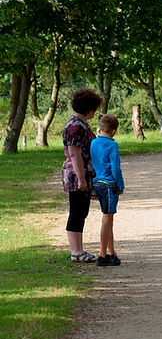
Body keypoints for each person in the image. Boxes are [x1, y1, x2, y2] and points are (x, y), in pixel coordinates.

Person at [62, 88, 103, 263]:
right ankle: (75, 251)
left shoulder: (81, 124)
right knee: (77, 212)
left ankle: (79, 250)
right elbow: (75, 154)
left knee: (81, 212)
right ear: (88, 107)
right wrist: (81, 179)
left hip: (84, 173)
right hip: (76, 174)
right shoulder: (74, 126)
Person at [90, 114, 125, 267]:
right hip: (110, 184)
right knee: (107, 220)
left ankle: (112, 252)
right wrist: (121, 185)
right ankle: (102, 254)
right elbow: (115, 168)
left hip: (98, 183)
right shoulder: (112, 145)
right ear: (113, 131)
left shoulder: (94, 143)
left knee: (108, 218)